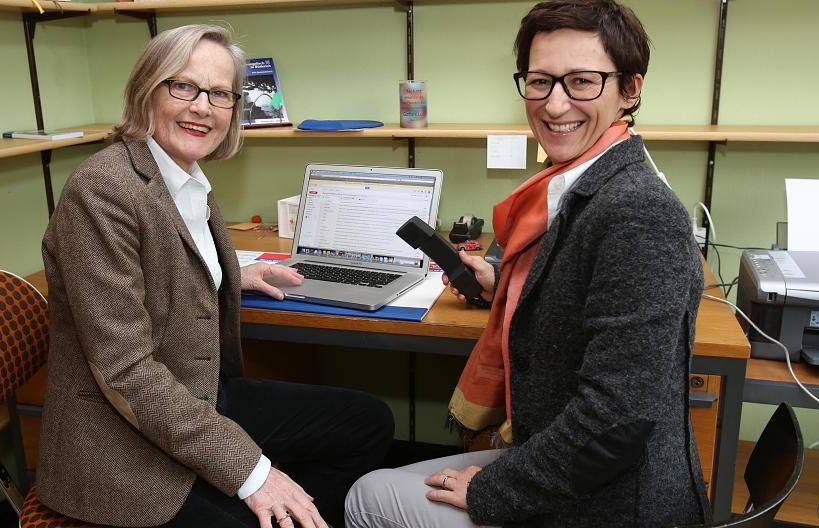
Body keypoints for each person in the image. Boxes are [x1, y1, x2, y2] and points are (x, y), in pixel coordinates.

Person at [345, 1, 709, 526]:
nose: (555, 105)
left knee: (366, 498)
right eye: (540, 82)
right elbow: (578, 294)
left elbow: (616, 420)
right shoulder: (580, 184)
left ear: (630, 89)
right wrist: (504, 286)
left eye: (582, 82)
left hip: (611, 503)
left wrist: (492, 490)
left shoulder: (638, 212)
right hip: (577, 467)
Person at [38, 24, 393, 528]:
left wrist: (232, 274)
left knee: (367, 422)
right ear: (146, 90)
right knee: (252, 509)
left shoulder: (182, 174)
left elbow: (164, 259)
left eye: (220, 93)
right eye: (183, 86)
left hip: (195, 394)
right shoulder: (102, 191)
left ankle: (302, 514)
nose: (202, 107)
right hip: (119, 438)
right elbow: (126, 373)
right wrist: (253, 474)